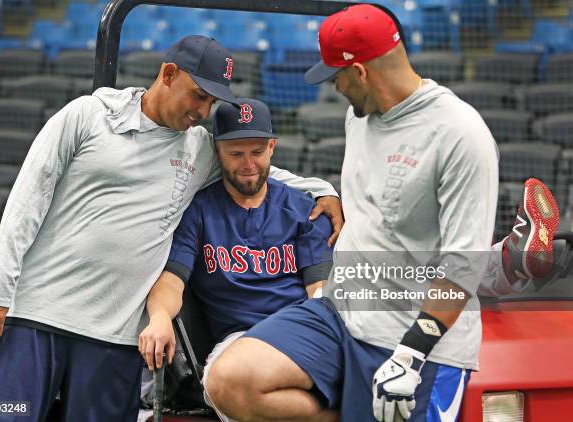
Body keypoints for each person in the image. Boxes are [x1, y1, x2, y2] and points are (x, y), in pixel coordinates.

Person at [200, 5, 560, 422]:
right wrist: (329, 196)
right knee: (230, 381)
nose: (333, 87)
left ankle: (504, 263)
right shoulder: (360, 118)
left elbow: (461, 266)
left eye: (336, 75)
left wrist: (410, 354)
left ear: (361, 73)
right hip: (342, 314)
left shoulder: (459, 134)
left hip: (416, 342)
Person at [0, 35, 342, 422]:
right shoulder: (86, 116)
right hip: (35, 313)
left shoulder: (200, 147)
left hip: (117, 333)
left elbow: (255, 171)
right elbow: (27, 199)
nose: (203, 110)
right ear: (168, 73)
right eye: (198, 95)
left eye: (212, 102)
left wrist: (324, 191)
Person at [138, 97, 336, 420]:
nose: (248, 165)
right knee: (221, 384)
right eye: (236, 153)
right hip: (238, 340)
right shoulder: (198, 211)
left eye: (257, 152)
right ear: (217, 152)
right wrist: (159, 317)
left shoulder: (305, 209)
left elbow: (321, 291)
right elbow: (172, 280)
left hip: (298, 332)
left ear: (272, 147)